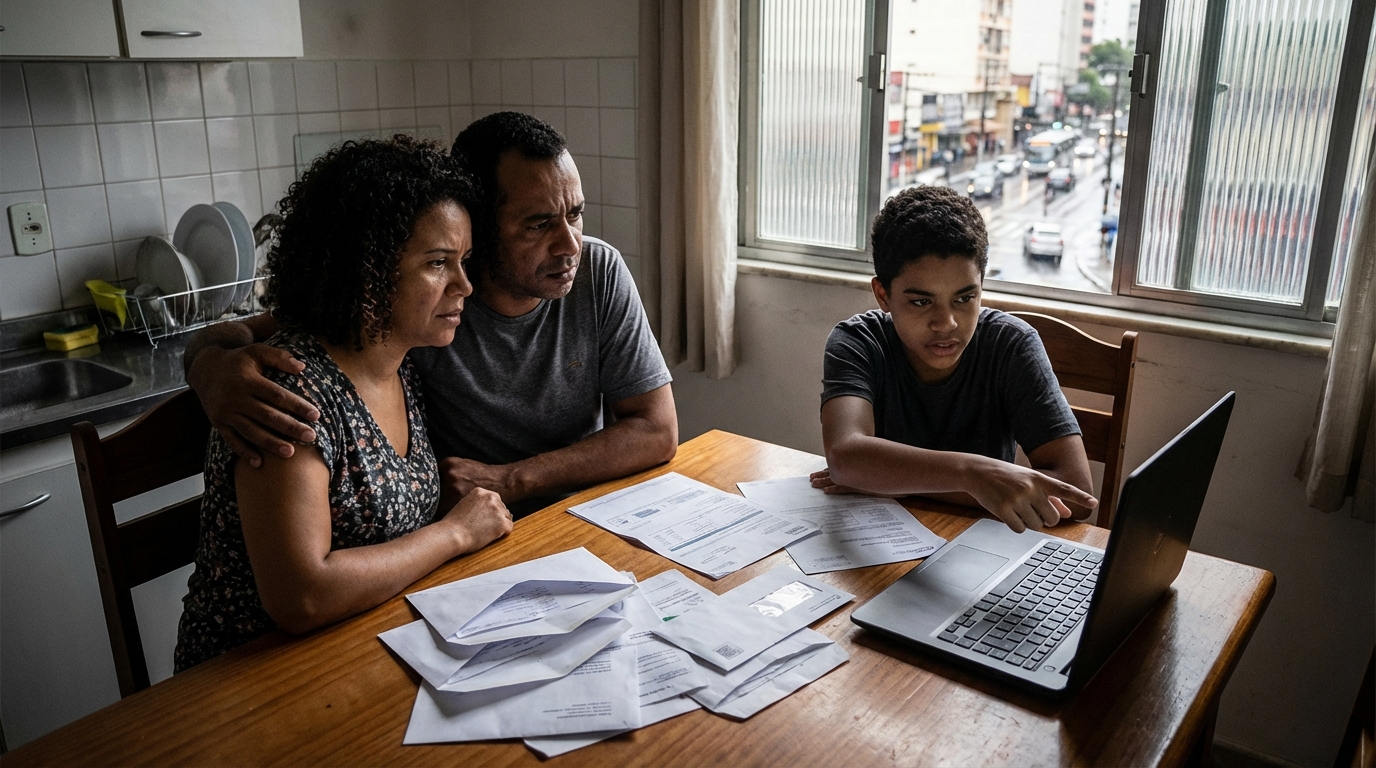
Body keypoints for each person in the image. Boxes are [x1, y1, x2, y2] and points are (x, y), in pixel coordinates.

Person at [182, 113, 676, 518]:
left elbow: (657, 430)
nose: (569, 245)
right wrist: (209, 369)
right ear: (479, 227)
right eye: (538, 224)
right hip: (468, 545)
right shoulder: (418, 300)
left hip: (576, 516)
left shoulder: (597, 271)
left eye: (575, 214)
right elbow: (249, 332)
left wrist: (511, 479)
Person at [174, 137, 513, 672]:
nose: (464, 285)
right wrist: (455, 533)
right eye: (437, 263)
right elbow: (302, 596)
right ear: (367, 272)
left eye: (464, 261)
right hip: (252, 678)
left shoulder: (400, 361)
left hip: (362, 645)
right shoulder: (289, 388)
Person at [811, 185, 1098, 533]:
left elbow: (1076, 493)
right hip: (878, 539)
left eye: (964, 298)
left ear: (981, 288)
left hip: (985, 544)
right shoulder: (858, 341)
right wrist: (973, 475)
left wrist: (890, 479)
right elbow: (845, 458)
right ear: (883, 295)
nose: (946, 323)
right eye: (921, 302)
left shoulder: (1011, 345)